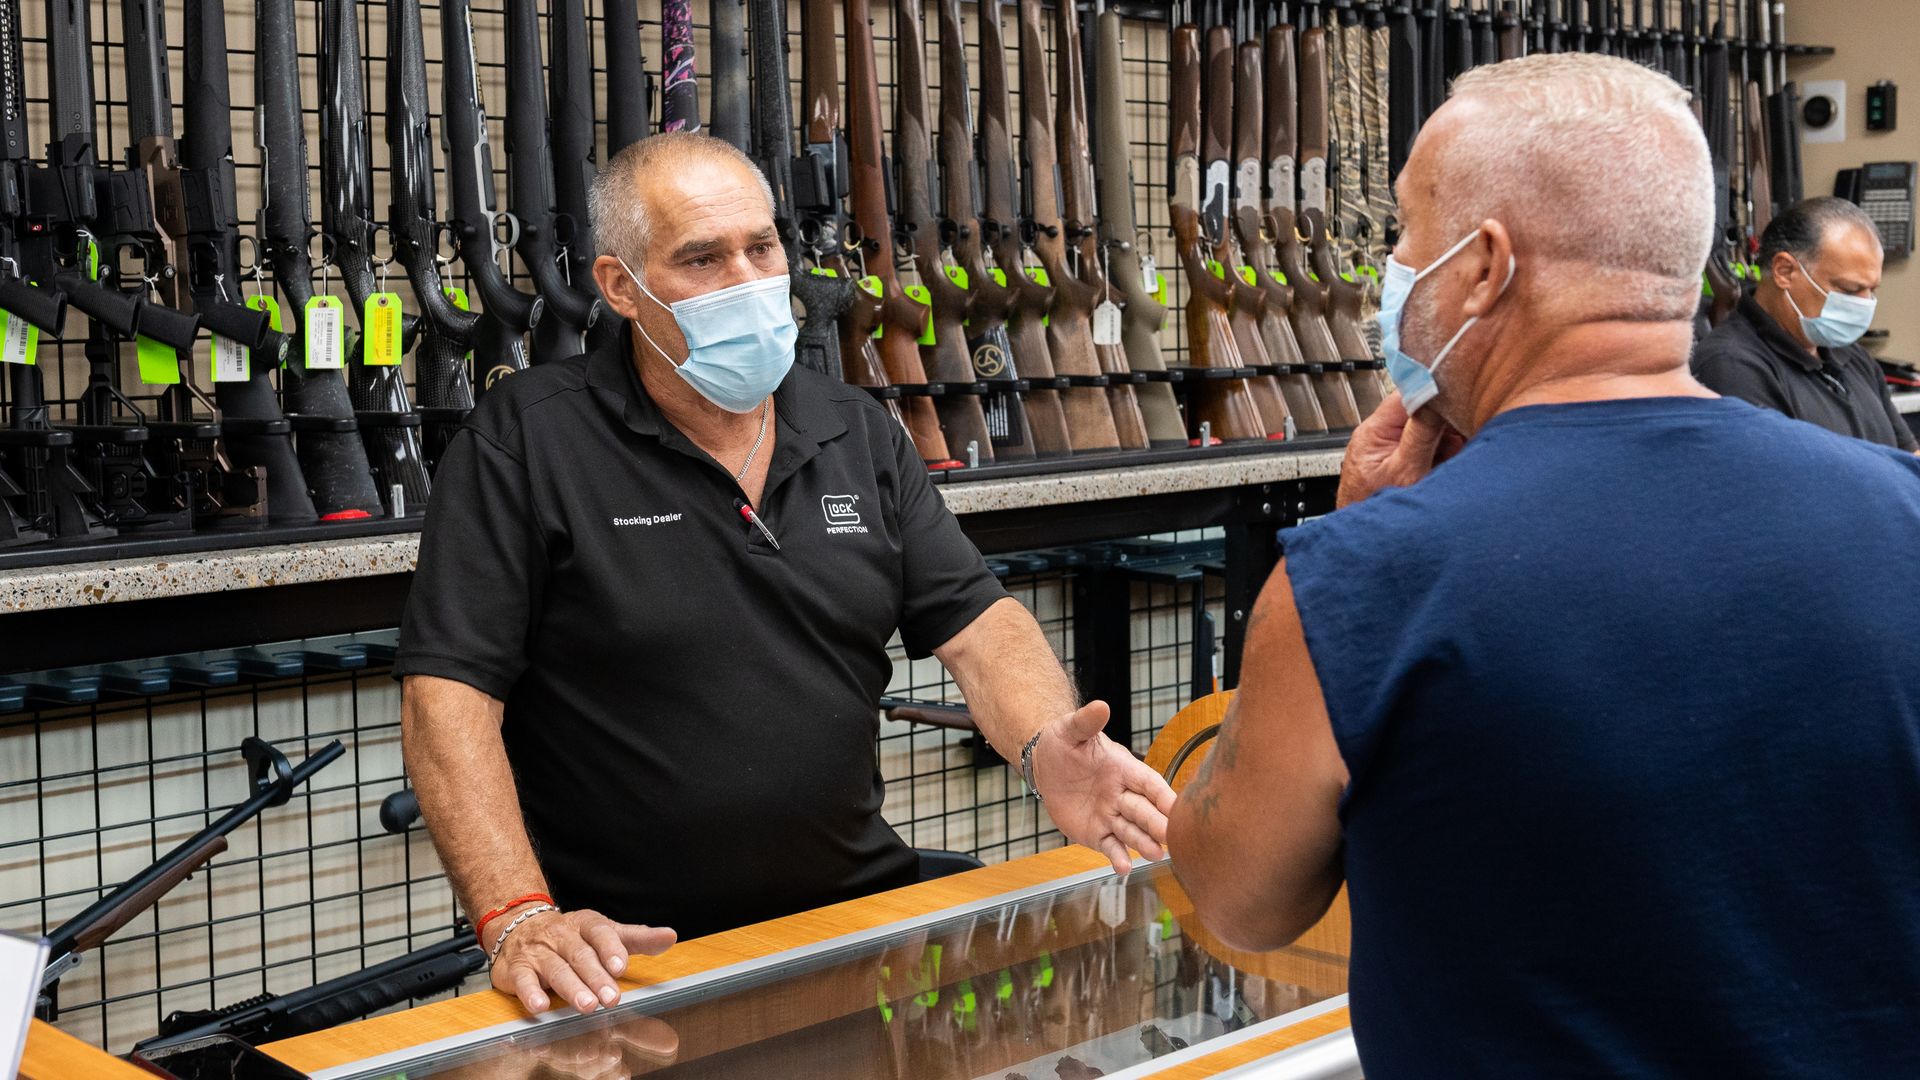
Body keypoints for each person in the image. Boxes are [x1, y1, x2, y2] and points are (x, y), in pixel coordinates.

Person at [1167, 53, 1920, 1078]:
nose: (1391, 266)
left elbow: (1237, 897)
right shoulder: (1905, 514)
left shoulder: (1367, 580)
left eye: (1404, 230)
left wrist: (1349, 559)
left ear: (1481, 265)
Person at [395, 132, 1174, 1018]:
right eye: (702, 258)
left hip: (854, 933)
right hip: (633, 966)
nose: (749, 279)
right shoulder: (528, 439)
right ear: (620, 288)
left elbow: (977, 620)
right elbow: (447, 697)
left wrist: (1045, 747)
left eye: (761, 247)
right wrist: (519, 917)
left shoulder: (856, 428)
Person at [1694, 196, 1914, 450]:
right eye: (1850, 289)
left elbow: (1909, 456)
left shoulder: (1853, 357)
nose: (1865, 304)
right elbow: (1784, 481)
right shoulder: (1731, 366)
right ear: (1785, 271)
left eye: (1871, 290)